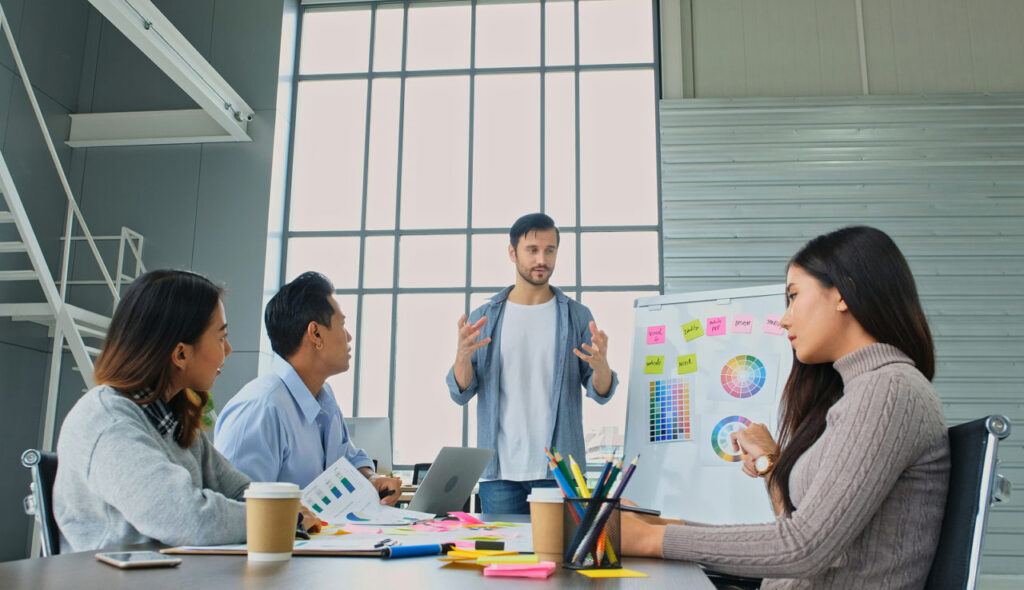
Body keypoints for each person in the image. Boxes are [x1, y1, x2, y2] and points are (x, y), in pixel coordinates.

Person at [621, 226, 950, 589]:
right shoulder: (861, 392)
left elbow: (804, 548)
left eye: (793, 296)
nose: (784, 318)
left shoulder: (888, 390)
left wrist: (649, 541)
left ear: (843, 294)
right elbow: (797, 532)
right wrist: (658, 526)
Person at [54, 270, 317, 552]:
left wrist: (281, 511)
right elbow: (188, 520)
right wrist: (281, 516)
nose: (228, 349)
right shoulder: (108, 421)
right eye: (220, 337)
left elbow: (240, 492)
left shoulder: (174, 418)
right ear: (180, 354)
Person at [447, 213, 619, 514]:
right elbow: (461, 392)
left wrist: (602, 366)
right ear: (513, 253)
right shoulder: (484, 317)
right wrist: (462, 357)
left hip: (560, 472)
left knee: (560, 557)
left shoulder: (576, 315)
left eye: (550, 250)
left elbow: (600, 392)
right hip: (499, 474)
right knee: (505, 559)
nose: (542, 259)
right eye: (533, 250)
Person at [215, 271, 401, 503]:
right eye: (342, 325)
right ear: (316, 333)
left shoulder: (324, 398)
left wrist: (370, 478)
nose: (349, 336)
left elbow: (350, 458)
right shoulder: (260, 409)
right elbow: (237, 510)